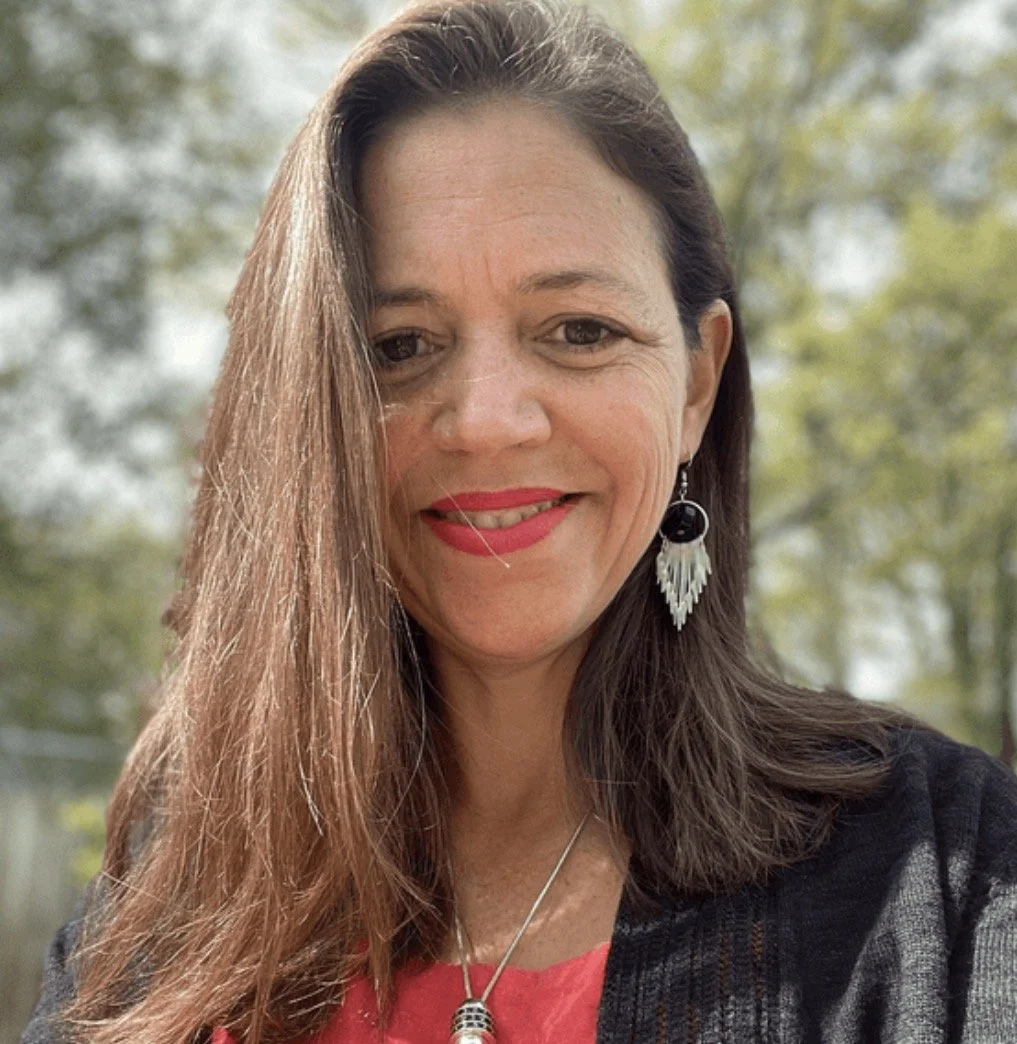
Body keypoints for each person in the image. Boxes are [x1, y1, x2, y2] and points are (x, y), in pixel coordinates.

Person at [22, 0, 1017, 1041]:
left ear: (695, 383)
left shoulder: (947, 884)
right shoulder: (156, 934)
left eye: (579, 330)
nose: (488, 421)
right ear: (308, 407)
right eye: (399, 345)